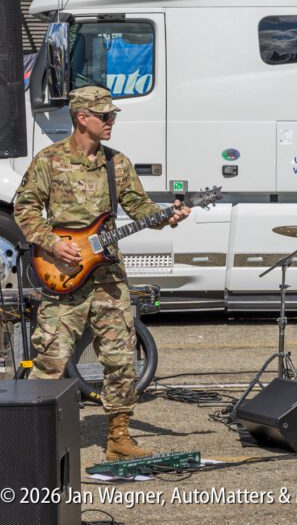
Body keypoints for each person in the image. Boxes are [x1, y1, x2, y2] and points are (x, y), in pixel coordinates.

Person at [14, 85, 190, 461]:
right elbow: (25, 208)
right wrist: (51, 242)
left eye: (112, 116)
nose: (111, 122)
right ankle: (26, 443)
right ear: (82, 118)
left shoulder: (117, 163)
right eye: (105, 116)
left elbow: (139, 205)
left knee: (121, 357)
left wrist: (166, 217)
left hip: (108, 276)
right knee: (51, 359)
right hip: (62, 273)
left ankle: (119, 438)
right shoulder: (49, 160)